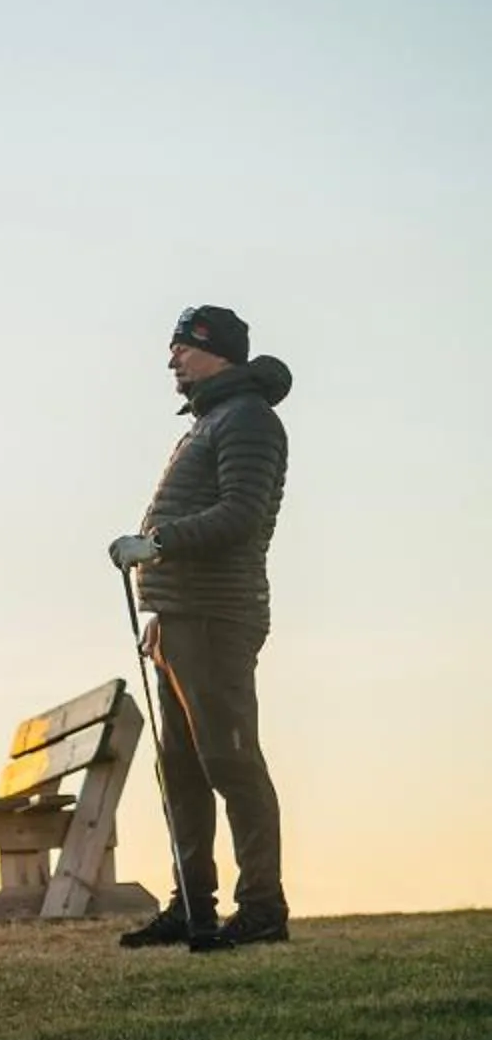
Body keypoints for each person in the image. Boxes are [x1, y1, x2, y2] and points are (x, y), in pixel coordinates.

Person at [108, 304, 293, 951]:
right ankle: (193, 906)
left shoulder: (248, 420)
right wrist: (161, 601)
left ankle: (262, 907)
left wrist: (156, 544)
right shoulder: (212, 420)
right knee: (182, 768)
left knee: (230, 760)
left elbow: (241, 513)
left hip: (217, 615)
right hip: (181, 619)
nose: (172, 359)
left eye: (182, 346)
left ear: (216, 351)